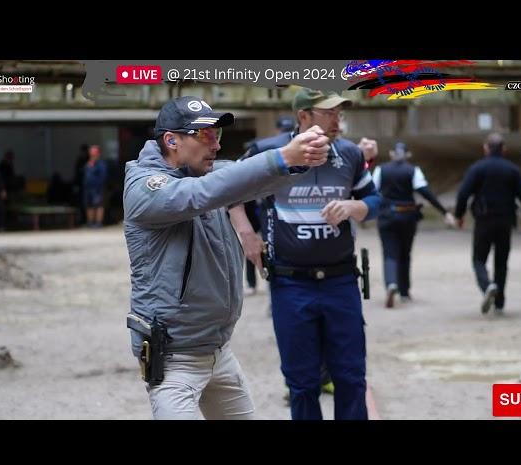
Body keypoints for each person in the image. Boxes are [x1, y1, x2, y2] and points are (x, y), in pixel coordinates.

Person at [123, 95, 329, 420]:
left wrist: (299, 161)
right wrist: (280, 157)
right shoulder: (144, 188)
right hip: (174, 359)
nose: (216, 145)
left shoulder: (205, 173)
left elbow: (247, 179)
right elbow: (202, 194)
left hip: (218, 351)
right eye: (205, 135)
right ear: (171, 140)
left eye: (217, 135)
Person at [229, 88, 381, 420]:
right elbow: (229, 188)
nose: (336, 120)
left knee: (351, 379)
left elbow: (374, 202)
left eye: (338, 113)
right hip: (290, 284)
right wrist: (246, 235)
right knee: (302, 384)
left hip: (341, 282)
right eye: (328, 113)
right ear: (303, 117)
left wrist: (353, 206)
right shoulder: (269, 151)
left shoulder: (350, 155)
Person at [455, 132, 521, 315]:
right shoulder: (512, 170)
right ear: (504, 149)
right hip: (505, 221)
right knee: (501, 263)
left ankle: (487, 286)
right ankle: (500, 303)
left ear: (485, 148)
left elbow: (464, 193)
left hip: (484, 220)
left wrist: (459, 215)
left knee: (479, 259)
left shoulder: (477, 169)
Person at [373, 141, 456, 308]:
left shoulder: (381, 170)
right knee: (405, 253)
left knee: (389, 253)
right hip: (407, 216)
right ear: (408, 155)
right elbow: (425, 192)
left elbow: (371, 191)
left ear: (391, 154)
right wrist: (444, 212)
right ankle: (404, 292)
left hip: (386, 216)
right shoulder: (413, 170)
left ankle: (391, 284)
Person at [241, 116, 297, 296]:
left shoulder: (289, 153)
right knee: (251, 246)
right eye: (282, 129)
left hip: (268, 210)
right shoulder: (264, 149)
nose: (283, 133)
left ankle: (272, 284)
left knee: (271, 246)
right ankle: (252, 283)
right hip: (252, 208)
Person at [83, 145, 107, 228]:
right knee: (89, 205)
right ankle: (90, 222)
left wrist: (98, 186)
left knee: (98, 205)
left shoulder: (101, 164)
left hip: (97, 188)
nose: (92, 155)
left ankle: (98, 223)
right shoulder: (88, 163)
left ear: (98, 154)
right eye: (91, 153)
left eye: (94, 153)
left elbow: (103, 177)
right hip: (88, 188)